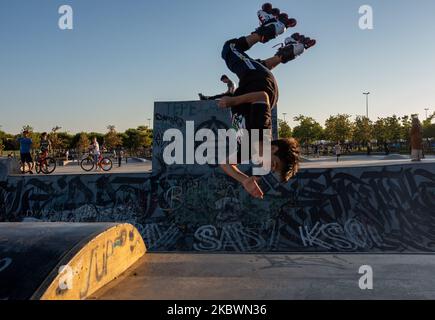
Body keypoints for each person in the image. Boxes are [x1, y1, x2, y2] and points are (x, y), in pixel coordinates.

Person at [216, 3, 315, 199]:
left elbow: (225, 163)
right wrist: (232, 102)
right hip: (259, 83)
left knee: (259, 65)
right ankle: (272, 27)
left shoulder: (249, 151)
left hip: (260, 81)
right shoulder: (261, 133)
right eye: (274, 164)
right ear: (274, 149)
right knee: (229, 49)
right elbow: (262, 96)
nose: (269, 168)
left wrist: (244, 179)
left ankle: (290, 50)